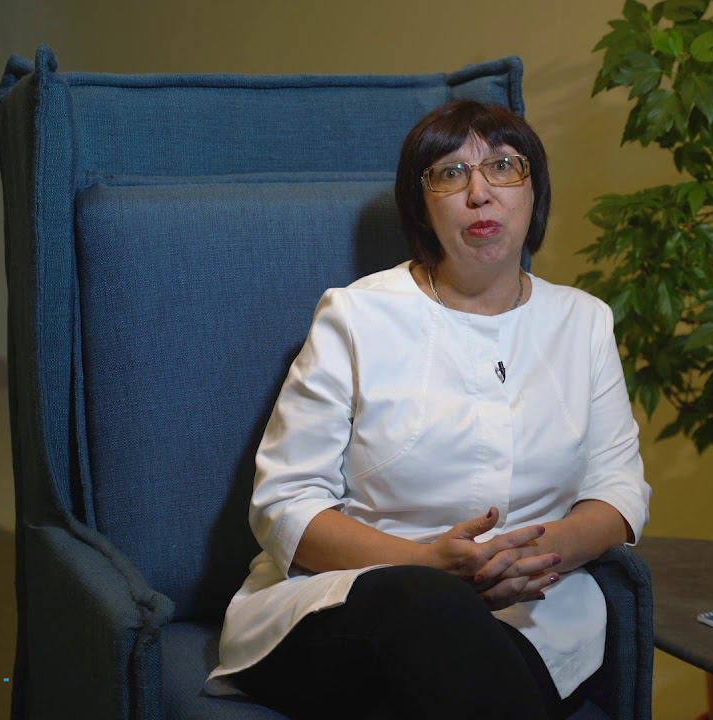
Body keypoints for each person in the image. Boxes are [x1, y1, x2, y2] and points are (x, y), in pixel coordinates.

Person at [203, 99, 651, 720]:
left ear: (535, 191)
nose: (479, 193)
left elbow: (619, 492)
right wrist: (429, 564)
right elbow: (285, 505)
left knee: (459, 670)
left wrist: (535, 553)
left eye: (503, 167)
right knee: (428, 606)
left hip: (534, 613)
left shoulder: (584, 322)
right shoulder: (355, 317)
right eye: (450, 173)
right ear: (421, 206)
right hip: (353, 602)